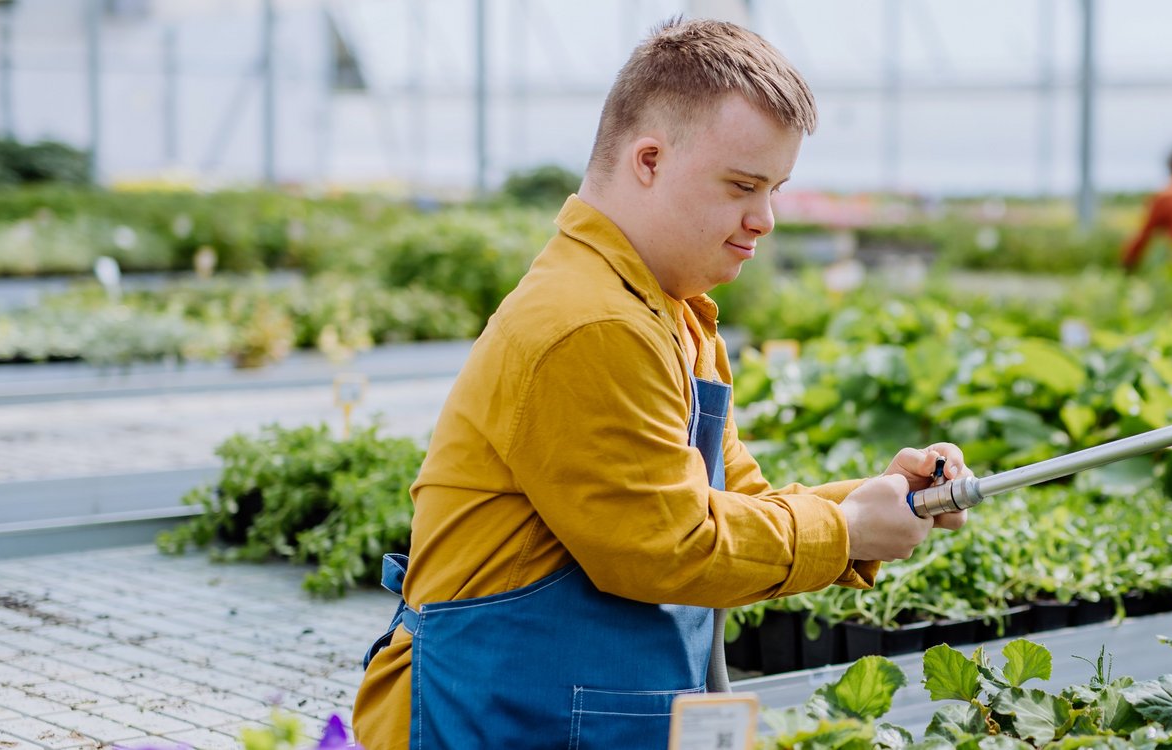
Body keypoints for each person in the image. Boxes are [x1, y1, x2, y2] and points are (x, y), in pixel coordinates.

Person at [351, 19, 971, 749]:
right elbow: (665, 544)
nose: (764, 219)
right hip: (499, 719)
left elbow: (734, 507)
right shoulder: (591, 322)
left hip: (573, 712)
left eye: (775, 189)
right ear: (648, 159)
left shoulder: (670, 312)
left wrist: (878, 504)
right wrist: (843, 531)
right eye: (743, 185)